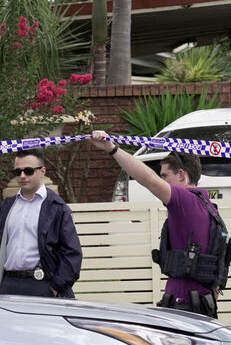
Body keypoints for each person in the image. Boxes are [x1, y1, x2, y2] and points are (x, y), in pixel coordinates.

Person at [89, 130, 224, 318]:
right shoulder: (208, 205)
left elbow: (148, 180)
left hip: (184, 305)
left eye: (165, 176)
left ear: (182, 176)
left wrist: (112, 148)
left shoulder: (185, 200)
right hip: (202, 304)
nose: (162, 181)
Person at [0, 149, 82, 298]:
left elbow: (72, 252)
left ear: (42, 171)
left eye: (28, 171)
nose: (22, 176)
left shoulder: (56, 207)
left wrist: (54, 288)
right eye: (18, 172)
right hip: (8, 285)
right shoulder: (8, 206)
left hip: (43, 285)